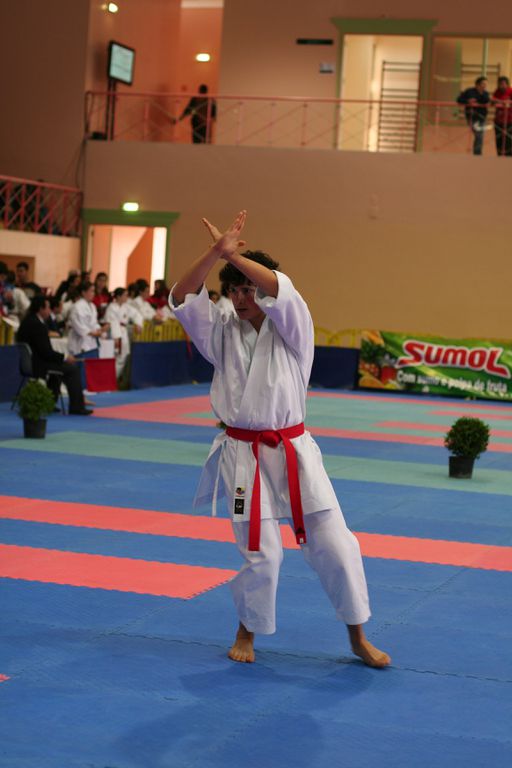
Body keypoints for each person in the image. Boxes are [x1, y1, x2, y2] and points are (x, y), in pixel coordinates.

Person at [170, 211, 390, 668]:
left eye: (248, 289)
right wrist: (216, 253)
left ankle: (357, 635)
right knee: (261, 554)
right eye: (233, 290)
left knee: (336, 545)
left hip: (294, 452)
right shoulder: (220, 330)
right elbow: (182, 295)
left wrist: (236, 258)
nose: (241, 297)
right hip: (242, 456)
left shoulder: (293, 325)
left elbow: (276, 286)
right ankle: (246, 631)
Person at [17, 295, 92, 415]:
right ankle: (77, 407)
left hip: (30, 362)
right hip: (38, 364)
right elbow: (46, 352)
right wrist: (65, 357)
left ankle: (50, 403)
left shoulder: (27, 321)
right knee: (72, 369)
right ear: (40, 309)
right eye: (47, 308)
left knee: (58, 369)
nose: (49, 310)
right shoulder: (37, 325)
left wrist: (60, 358)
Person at [104, 287, 142, 377]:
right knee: (112, 357)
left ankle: (113, 379)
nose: (126, 297)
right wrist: (116, 337)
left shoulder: (126, 307)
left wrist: (138, 324)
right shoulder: (111, 307)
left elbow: (137, 314)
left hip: (123, 333)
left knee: (122, 358)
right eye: (125, 295)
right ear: (118, 296)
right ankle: (109, 379)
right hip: (113, 334)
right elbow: (112, 322)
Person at [68, 281, 106, 356]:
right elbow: (79, 327)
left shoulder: (92, 306)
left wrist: (100, 329)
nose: (93, 293)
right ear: (83, 292)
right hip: (80, 343)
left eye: (94, 291)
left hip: (93, 344)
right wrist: (94, 333)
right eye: (91, 291)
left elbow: (94, 323)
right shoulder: (77, 306)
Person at [457, 76, 490, 155]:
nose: (485, 86)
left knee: (480, 135)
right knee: (479, 134)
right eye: (483, 84)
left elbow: (487, 101)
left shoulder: (485, 93)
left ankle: (477, 153)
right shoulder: (469, 91)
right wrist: (468, 101)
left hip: (482, 117)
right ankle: (477, 153)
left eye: (486, 84)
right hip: (472, 117)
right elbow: (459, 100)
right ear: (478, 84)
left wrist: (482, 97)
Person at [492, 76, 512, 156]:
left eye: (504, 84)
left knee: (508, 139)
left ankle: (509, 157)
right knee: (499, 139)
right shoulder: (497, 91)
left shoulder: (510, 91)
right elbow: (492, 100)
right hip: (498, 121)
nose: (502, 86)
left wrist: (508, 102)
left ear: (507, 84)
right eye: (501, 84)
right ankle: (499, 155)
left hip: (509, 121)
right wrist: (500, 101)